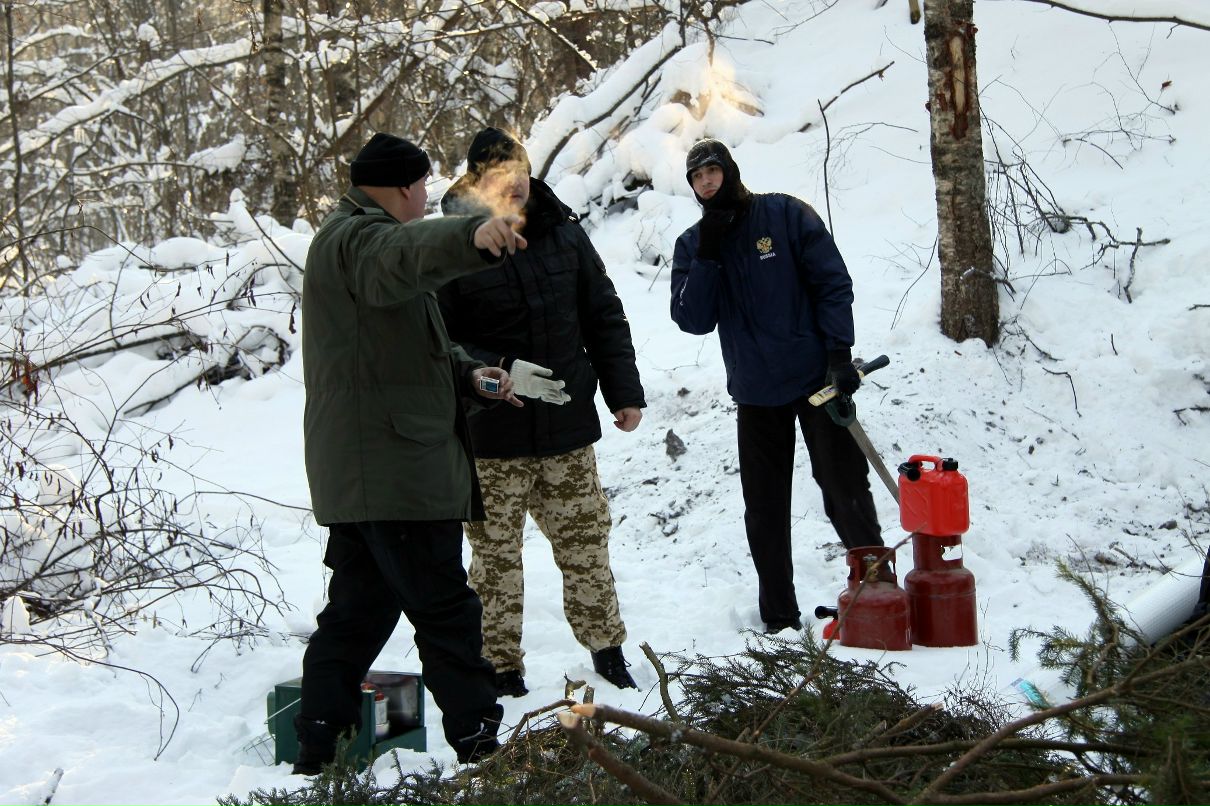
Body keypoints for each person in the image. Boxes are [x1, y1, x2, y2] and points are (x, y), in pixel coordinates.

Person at [294, 132, 530, 773]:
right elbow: (403, 253)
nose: (426, 198)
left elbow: (404, 351)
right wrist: (468, 238)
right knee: (448, 613)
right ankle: (484, 752)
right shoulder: (357, 240)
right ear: (401, 186)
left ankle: (317, 749)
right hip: (396, 472)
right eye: (423, 186)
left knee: (357, 616)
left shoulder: (354, 244)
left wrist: (467, 374)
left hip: (376, 472)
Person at [438, 127, 646, 696]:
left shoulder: (563, 231)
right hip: (492, 435)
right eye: (503, 178)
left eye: (522, 173)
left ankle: (607, 649)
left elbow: (603, 312)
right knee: (495, 561)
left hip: (566, 424)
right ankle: (500, 668)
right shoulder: (454, 244)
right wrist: (498, 367)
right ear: (478, 182)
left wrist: (623, 392)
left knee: (586, 545)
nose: (517, 186)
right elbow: (440, 339)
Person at [669, 138, 885, 635]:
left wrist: (837, 353)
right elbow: (691, 319)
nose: (707, 181)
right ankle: (780, 618)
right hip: (755, 393)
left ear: (730, 171)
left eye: (713, 171)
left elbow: (832, 281)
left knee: (844, 487)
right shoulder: (693, 243)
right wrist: (708, 254)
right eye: (697, 176)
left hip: (817, 383)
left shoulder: (784, 214)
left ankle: (876, 588)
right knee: (764, 509)